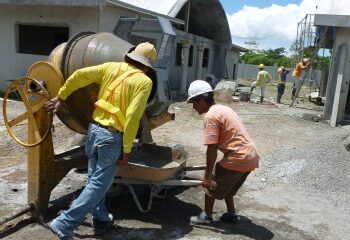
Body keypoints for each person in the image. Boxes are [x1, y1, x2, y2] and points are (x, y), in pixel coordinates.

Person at [45, 42, 157, 239]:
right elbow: (132, 116)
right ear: (147, 66)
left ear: (129, 56)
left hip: (94, 130)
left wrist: (61, 97)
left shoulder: (111, 67)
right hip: (111, 138)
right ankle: (64, 223)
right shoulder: (144, 82)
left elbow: (79, 75)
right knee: (99, 184)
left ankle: (101, 218)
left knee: (94, 180)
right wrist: (127, 148)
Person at [187, 80, 259, 225]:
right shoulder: (222, 109)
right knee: (229, 186)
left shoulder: (210, 116)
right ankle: (231, 214)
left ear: (201, 100)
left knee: (211, 183)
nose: (193, 107)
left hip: (238, 156)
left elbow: (212, 149)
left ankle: (206, 216)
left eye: (193, 103)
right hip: (251, 156)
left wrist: (207, 177)